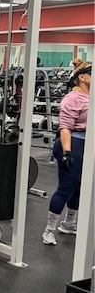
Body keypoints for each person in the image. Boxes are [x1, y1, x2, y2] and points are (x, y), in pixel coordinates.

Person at [42, 60, 91, 246]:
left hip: (88, 144)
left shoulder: (91, 97)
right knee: (66, 187)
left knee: (80, 187)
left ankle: (69, 224)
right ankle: (49, 230)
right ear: (82, 77)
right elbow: (65, 128)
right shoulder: (72, 98)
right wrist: (67, 152)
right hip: (72, 143)